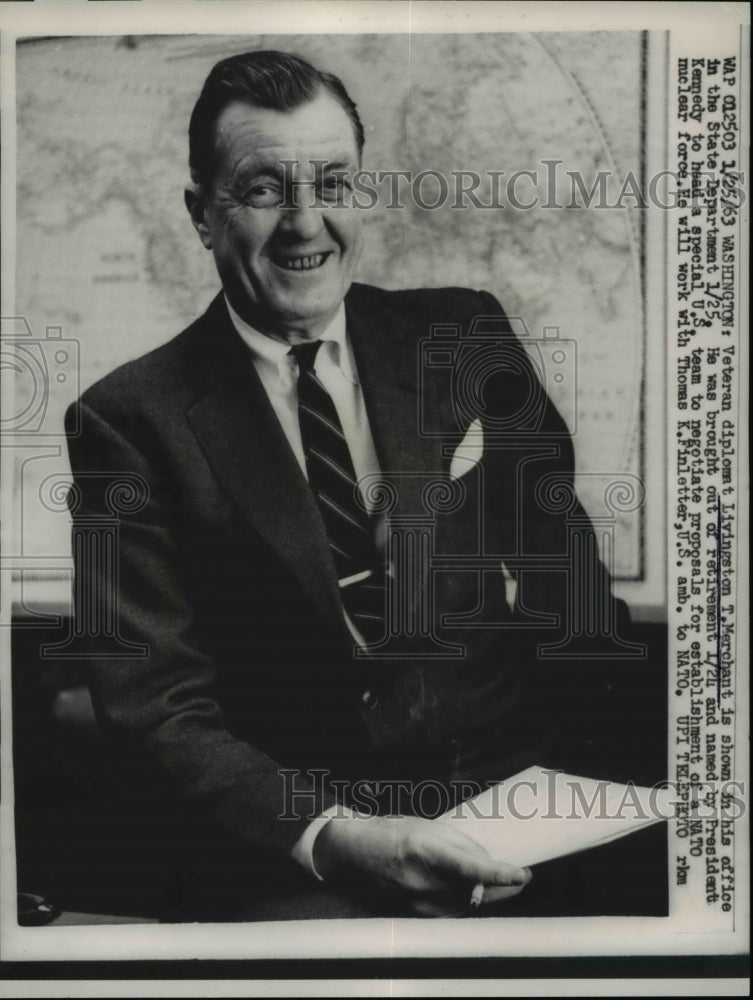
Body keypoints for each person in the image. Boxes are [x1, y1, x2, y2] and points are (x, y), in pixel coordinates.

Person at [65, 50, 651, 922]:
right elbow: (158, 712)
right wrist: (338, 838)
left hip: (531, 817)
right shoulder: (127, 422)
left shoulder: (463, 334)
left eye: (333, 184)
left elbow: (570, 584)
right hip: (308, 859)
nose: (307, 225)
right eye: (263, 189)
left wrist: (609, 784)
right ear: (201, 215)